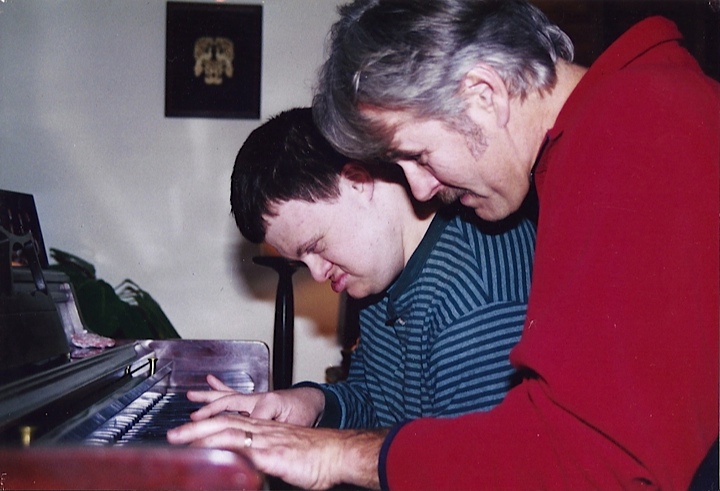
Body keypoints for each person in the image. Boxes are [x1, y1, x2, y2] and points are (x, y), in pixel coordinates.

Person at [168, 1, 719, 490]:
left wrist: (338, 454)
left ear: (483, 93)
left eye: (419, 155)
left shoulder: (639, 132)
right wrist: (315, 407)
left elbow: (604, 464)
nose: (421, 188)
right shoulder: (600, 141)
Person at [181, 107, 535, 433]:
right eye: (301, 262)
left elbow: (472, 471)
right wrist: (313, 403)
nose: (318, 275)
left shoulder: (474, 300)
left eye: (316, 246)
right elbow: (377, 401)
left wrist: (323, 456)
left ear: (357, 181)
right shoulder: (381, 276)